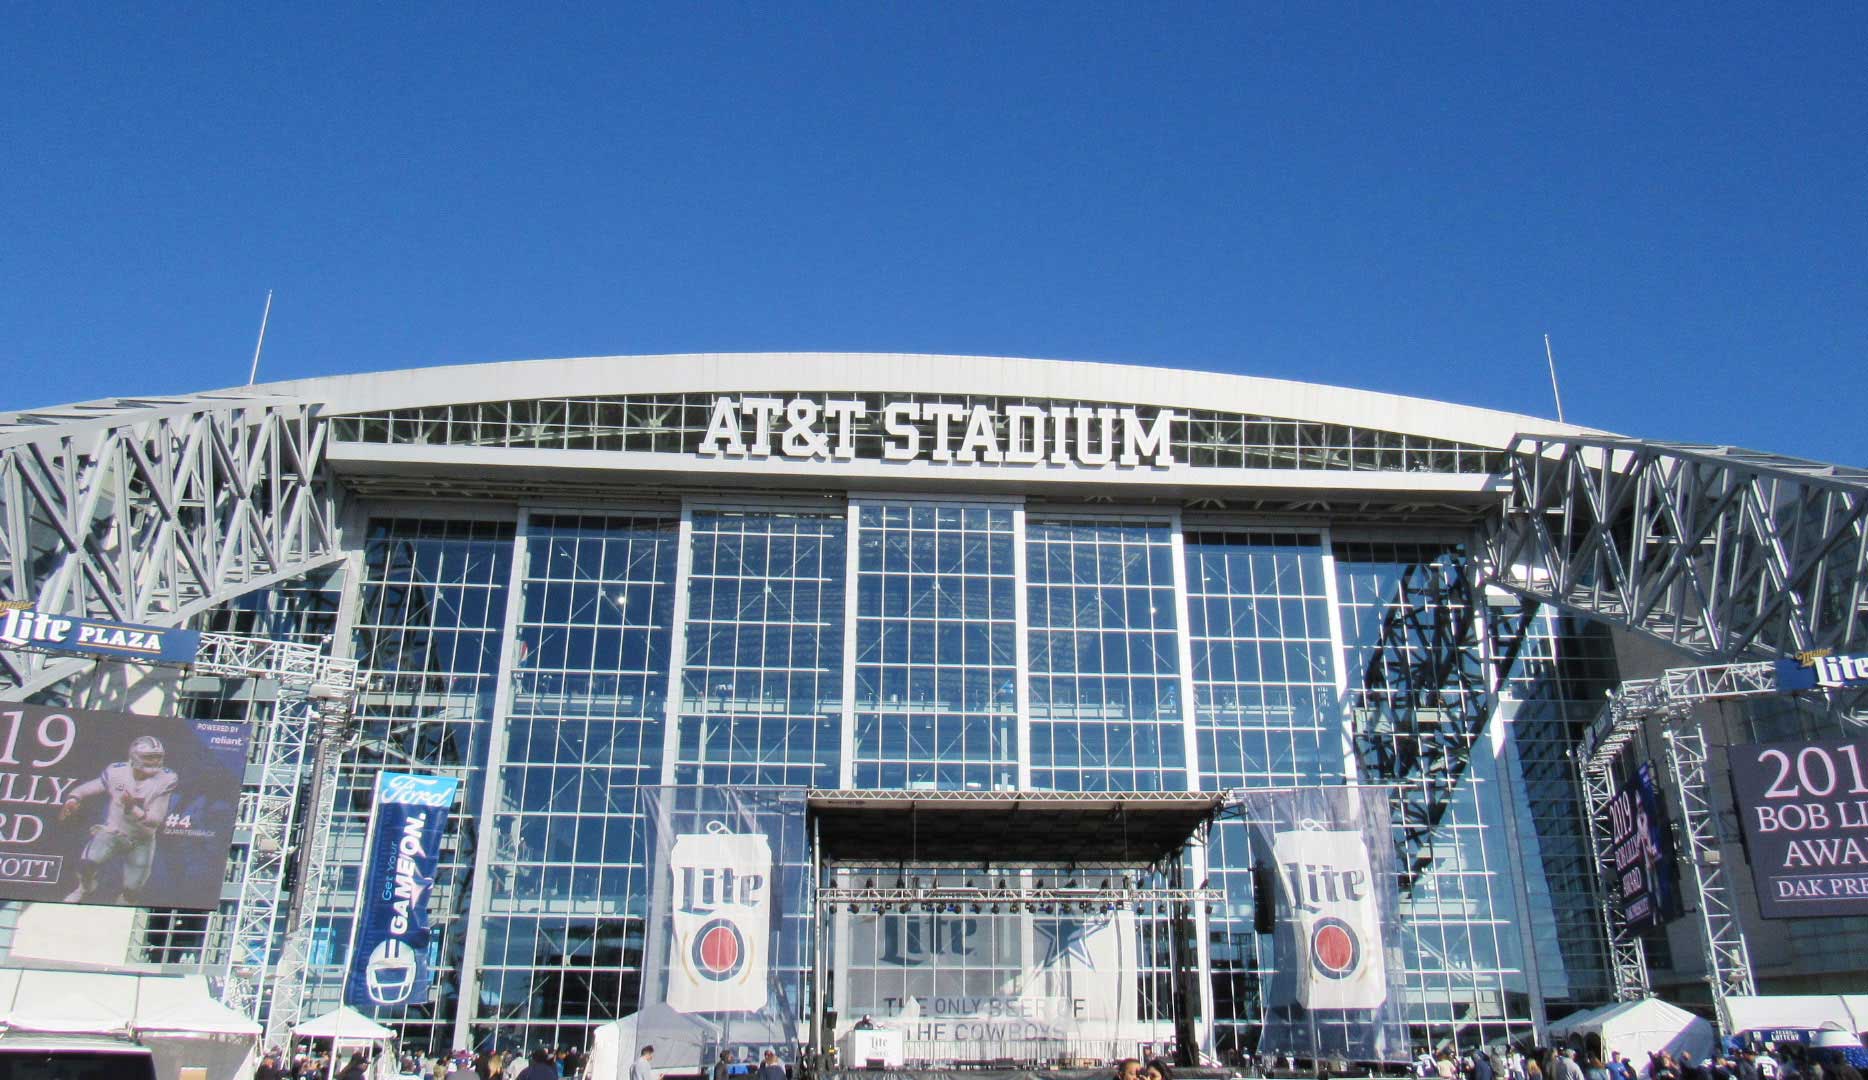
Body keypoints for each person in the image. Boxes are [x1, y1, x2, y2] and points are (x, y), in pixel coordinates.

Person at [58, 735, 179, 904]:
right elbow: (92, 786)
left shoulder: (166, 779)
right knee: (85, 865)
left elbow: (155, 820)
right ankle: (85, 888)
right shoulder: (117, 772)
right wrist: (74, 798)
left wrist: (132, 809)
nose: (155, 761)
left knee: (132, 893)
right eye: (149, 757)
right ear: (135, 757)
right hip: (114, 831)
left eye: (158, 757)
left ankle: (119, 907)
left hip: (142, 841)